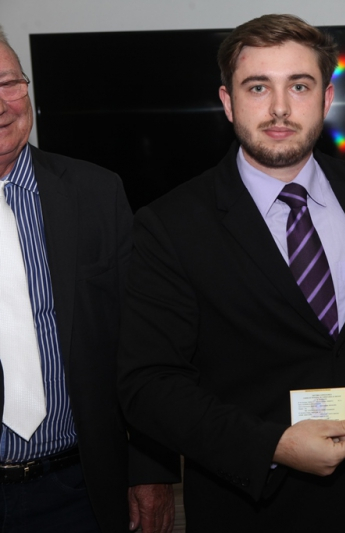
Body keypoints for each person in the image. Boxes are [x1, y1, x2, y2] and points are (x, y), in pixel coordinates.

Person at [117, 14, 345, 533]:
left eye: (299, 85)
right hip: (252, 505)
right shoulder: (171, 225)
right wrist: (271, 445)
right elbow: (149, 386)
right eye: (257, 87)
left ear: (326, 97)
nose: (278, 108)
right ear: (228, 101)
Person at [0, 29, 174, 533]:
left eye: (9, 83)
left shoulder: (96, 193)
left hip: (80, 490)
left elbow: (142, 345)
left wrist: (151, 469)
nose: (2, 105)